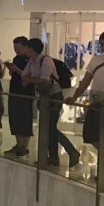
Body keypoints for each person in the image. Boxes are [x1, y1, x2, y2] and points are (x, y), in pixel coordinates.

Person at [21, 37, 80, 168]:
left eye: (26, 48)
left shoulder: (46, 60)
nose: (25, 50)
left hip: (53, 96)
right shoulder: (32, 61)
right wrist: (33, 79)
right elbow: (24, 76)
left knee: (49, 127)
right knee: (47, 127)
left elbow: (45, 80)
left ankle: (71, 151)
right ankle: (53, 157)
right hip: (43, 96)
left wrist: (31, 80)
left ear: (31, 49)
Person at [65, 31, 104, 158]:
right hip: (96, 102)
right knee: (93, 135)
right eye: (101, 44)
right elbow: (86, 80)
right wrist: (74, 97)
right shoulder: (96, 59)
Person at [4, 36, 36, 157]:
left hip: (26, 92)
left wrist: (17, 70)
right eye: (14, 48)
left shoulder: (31, 60)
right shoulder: (16, 58)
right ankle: (18, 144)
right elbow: (15, 74)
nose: (16, 50)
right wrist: (12, 70)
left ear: (25, 47)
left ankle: (25, 146)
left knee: (24, 118)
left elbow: (31, 76)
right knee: (15, 117)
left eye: (18, 48)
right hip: (15, 90)